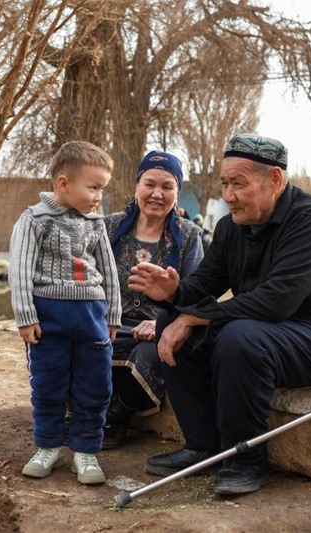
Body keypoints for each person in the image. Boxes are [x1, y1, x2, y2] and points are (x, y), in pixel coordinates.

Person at [128, 133, 311, 495]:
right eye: (225, 184)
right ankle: (204, 446)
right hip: (273, 330)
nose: (229, 195)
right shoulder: (232, 226)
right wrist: (173, 294)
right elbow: (205, 285)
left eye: (239, 184)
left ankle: (245, 460)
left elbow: (276, 301)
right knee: (171, 322)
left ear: (274, 180)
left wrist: (195, 316)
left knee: (239, 336)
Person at [9, 140, 121, 485]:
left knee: (95, 384)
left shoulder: (95, 223)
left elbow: (109, 270)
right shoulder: (34, 220)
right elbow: (20, 269)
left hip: (91, 315)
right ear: (63, 183)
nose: (99, 196)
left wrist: (113, 316)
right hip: (49, 317)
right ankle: (48, 446)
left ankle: (86, 451)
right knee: (48, 383)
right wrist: (26, 317)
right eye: (93, 188)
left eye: (102, 189)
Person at [102, 151, 203, 449]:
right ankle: (85, 407)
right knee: (85, 338)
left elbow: (197, 293)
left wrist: (161, 321)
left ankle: (116, 417)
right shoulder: (107, 228)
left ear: (177, 192)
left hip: (155, 328)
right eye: (149, 184)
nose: (157, 194)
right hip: (110, 322)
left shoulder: (190, 236)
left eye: (167, 186)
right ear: (137, 186)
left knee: (156, 351)